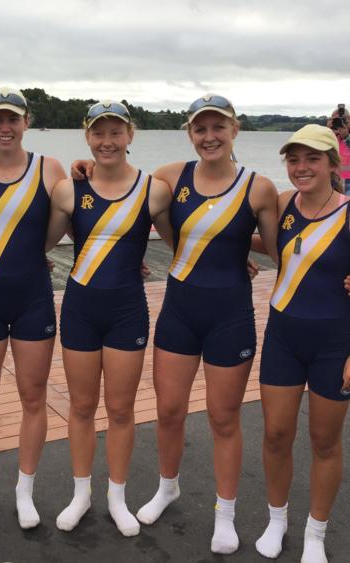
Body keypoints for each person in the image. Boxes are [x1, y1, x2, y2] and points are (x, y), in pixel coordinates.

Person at [134, 94, 279, 554]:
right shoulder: (169, 177)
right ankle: (167, 486)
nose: (209, 136)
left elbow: (280, 250)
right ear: (190, 133)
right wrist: (80, 166)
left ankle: (226, 512)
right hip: (179, 311)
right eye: (201, 129)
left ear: (235, 129)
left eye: (219, 127)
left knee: (223, 418)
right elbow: (115, 190)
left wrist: (237, 246)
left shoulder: (258, 188)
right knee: (169, 410)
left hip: (230, 316)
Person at [47, 101, 172, 536]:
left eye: (116, 132)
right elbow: (36, 238)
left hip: (126, 312)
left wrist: (238, 261)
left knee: (120, 409)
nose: (107, 141)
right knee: (81, 407)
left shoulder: (154, 190)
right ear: (87, 138)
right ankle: (81, 493)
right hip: (81, 310)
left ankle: (116, 496)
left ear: (131, 136)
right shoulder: (67, 190)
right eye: (98, 134)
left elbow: (189, 243)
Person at [0, 87, 66, 530]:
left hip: (32, 297)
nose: (5, 128)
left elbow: (63, 223)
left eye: (13, 120)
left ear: (26, 122)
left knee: (32, 397)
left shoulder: (50, 168)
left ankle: (25, 489)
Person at [255, 124, 350, 563]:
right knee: (275, 434)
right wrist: (227, 247)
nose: (301, 167)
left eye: (312, 158)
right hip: (283, 337)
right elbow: (276, 247)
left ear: (334, 163)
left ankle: (316, 533)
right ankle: (277, 519)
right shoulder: (281, 203)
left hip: (335, 343)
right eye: (293, 159)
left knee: (325, 442)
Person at [329, 113, 350, 194]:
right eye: (335, 120)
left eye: (343, 120)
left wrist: (346, 136)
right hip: (333, 179)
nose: (339, 124)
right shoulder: (331, 137)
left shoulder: (347, 138)